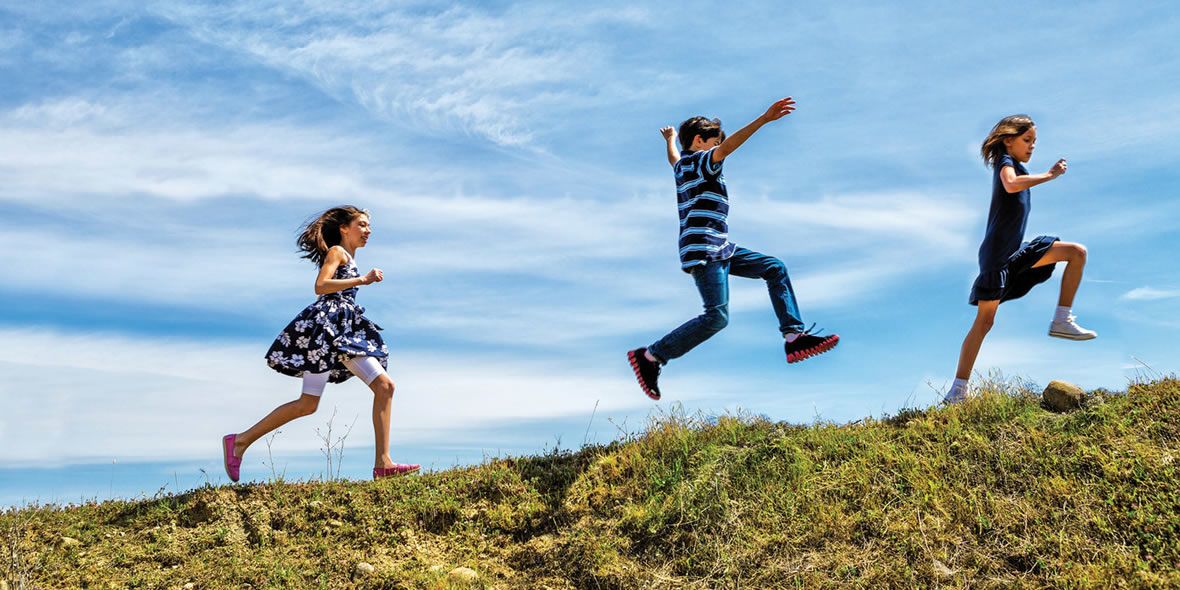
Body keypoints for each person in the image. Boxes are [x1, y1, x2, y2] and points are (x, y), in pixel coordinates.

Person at [628, 97, 840, 400]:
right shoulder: (703, 162)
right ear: (700, 141)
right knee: (716, 316)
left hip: (720, 247)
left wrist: (671, 139)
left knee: (774, 267)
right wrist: (764, 120)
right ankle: (651, 356)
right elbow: (727, 148)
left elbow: (673, 159)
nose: (719, 150)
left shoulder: (682, 167)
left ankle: (794, 337)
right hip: (705, 249)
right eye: (714, 143)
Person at [222, 206, 419, 481]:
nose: (368, 231)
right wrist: (363, 279)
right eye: (361, 225)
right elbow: (321, 285)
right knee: (384, 386)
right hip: (331, 332)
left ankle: (240, 441)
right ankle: (383, 463)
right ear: (344, 228)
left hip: (338, 331)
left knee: (307, 404)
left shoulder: (350, 256)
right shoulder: (337, 252)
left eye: (368, 226)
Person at [945, 115, 1096, 404]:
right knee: (984, 322)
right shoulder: (1006, 163)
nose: (1032, 147)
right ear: (1007, 140)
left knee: (1076, 252)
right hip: (996, 258)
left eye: (1034, 142)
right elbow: (1011, 185)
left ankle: (1061, 320)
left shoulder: (1018, 166)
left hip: (1015, 252)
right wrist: (1050, 176)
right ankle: (958, 390)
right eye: (1027, 140)